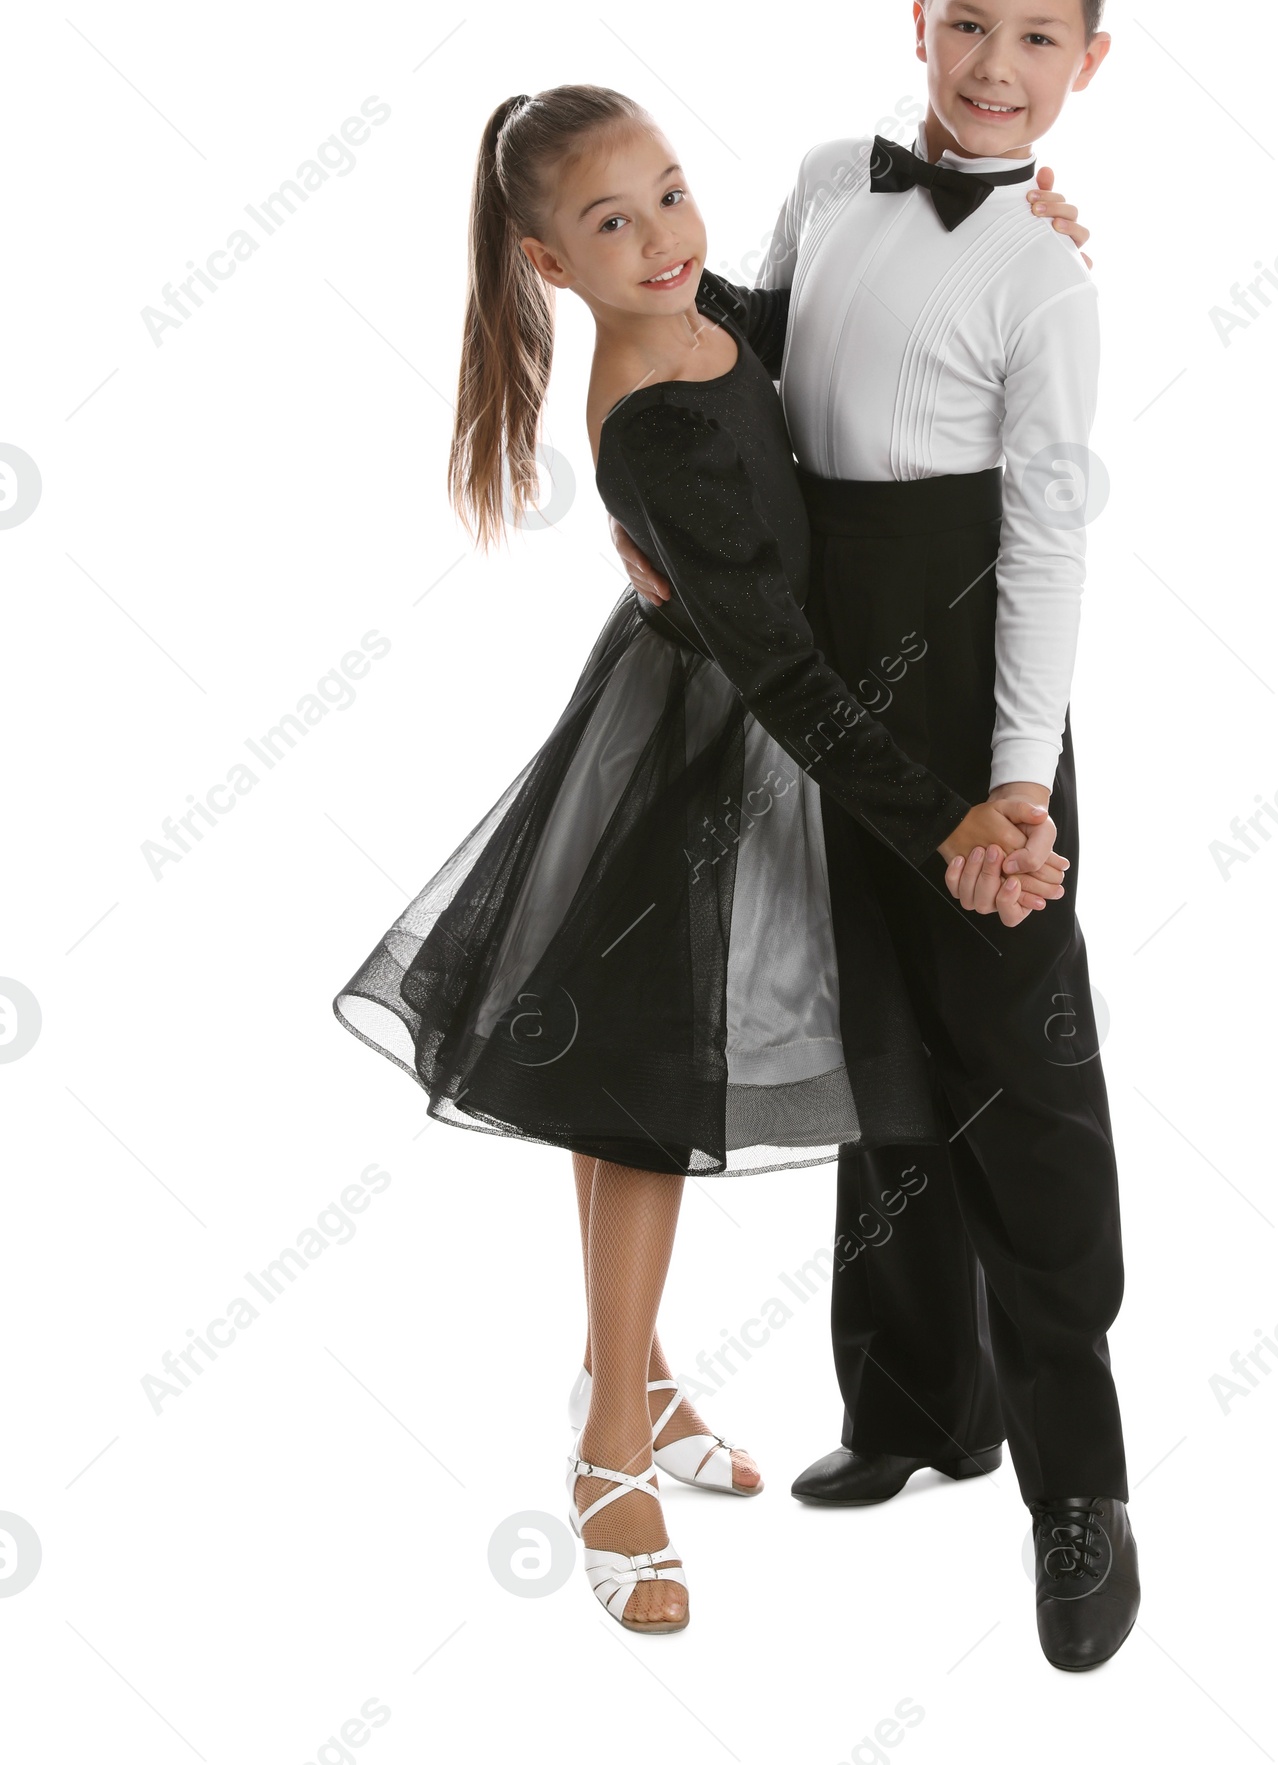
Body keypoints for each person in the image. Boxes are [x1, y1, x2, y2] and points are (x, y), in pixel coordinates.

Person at [331, 85, 1083, 1634]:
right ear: (549, 262)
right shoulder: (656, 428)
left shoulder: (709, 307)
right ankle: (608, 1447)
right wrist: (944, 819)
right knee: (643, 1099)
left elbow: (833, 322)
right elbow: (789, 676)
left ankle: (640, 1378)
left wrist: (1021, 229)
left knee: (646, 1088)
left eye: (671, 193)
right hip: (708, 751)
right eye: (613, 223)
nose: (665, 238)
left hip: (765, 732)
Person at [612, 0, 1138, 1671]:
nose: (994, 69)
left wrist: (1015, 786)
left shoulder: (1048, 273)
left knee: (1023, 1071)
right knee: (879, 1044)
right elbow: (767, 338)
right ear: (919, 17)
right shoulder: (839, 176)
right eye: (968, 23)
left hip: (973, 711)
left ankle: (1081, 1488)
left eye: (1037, 41)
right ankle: (918, 1400)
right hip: (821, 678)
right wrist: (663, 493)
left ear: (1089, 61)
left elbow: (1056, 534)